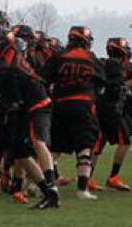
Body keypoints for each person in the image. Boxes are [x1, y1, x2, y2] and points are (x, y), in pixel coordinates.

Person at [0, 27, 60, 209]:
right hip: (25, 106)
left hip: (35, 105)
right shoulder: (11, 56)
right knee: (21, 152)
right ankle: (48, 192)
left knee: (37, 141)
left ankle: (51, 184)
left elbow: (11, 100)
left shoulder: (6, 68)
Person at [42, 26, 106, 200]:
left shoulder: (59, 56)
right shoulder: (91, 58)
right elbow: (101, 83)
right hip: (84, 105)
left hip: (61, 104)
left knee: (54, 147)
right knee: (85, 147)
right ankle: (82, 189)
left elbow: (43, 79)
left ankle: (44, 183)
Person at [90, 37, 132, 191]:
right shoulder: (113, 66)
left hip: (101, 108)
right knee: (125, 141)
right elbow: (117, 87)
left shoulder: (105, 64)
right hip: (110, 110)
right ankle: (113, 177)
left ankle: (87, 177)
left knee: (98, 144)